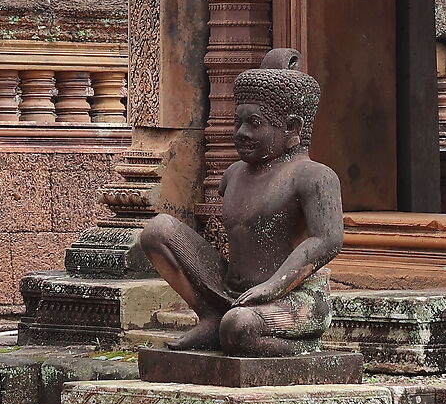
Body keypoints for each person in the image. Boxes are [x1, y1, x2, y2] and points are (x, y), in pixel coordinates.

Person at [139, 48, 344, 356]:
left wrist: (274, 286)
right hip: (231, 292)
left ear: (292, 128)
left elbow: (327, 240)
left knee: (238, 328)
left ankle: (302, 345)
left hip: (294, 299)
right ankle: (210, 317)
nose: (242, 133)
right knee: (158, 231)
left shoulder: (314, 176)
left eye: (255, 123)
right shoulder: (234, 173)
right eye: (239, 122)